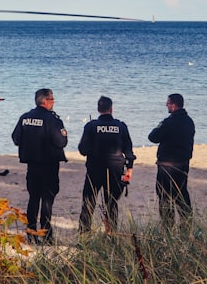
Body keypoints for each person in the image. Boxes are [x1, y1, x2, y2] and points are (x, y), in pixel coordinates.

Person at [12, 88, 68, 244]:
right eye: (52, 99)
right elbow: (61, 142)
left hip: (32, 164)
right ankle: (46, 234)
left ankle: (31, 232)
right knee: (47, 199)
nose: (53, 102)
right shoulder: (52, 119)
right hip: (49, 164)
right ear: (45, 101)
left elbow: (16, 138)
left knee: (34, 198)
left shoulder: (25, 117)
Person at [77, 96, 136, 233]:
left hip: (95, 169)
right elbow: (128, 150)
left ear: (98, 109)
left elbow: (82, 150)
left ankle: (84, 234)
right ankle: (111, 234)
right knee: (111, 203)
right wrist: (130, 168)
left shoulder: (91, 126)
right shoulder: (121, 126)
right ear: (111, 109)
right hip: (115, 169)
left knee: (88, 202)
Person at [148, 93, 195, 228]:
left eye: (168, 103)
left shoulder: (168, 122)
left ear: (174, 105)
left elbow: (153, 137)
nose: (166, 105)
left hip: (167, 166)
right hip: (183, 164)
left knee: (165, 196)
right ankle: (186, 224)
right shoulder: (189, 122)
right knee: (181, 194)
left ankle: (168, 226)